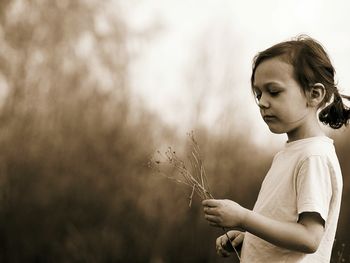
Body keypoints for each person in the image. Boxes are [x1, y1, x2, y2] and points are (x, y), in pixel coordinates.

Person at [202, 35, 350, 262]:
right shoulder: (291, 153)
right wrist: (251, 238)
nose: (262, 102)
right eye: (259, 94)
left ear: (314, 94)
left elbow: (309, 238)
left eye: (274, 91)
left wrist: (243, 218)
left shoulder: (313, 156)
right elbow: (287, 229)